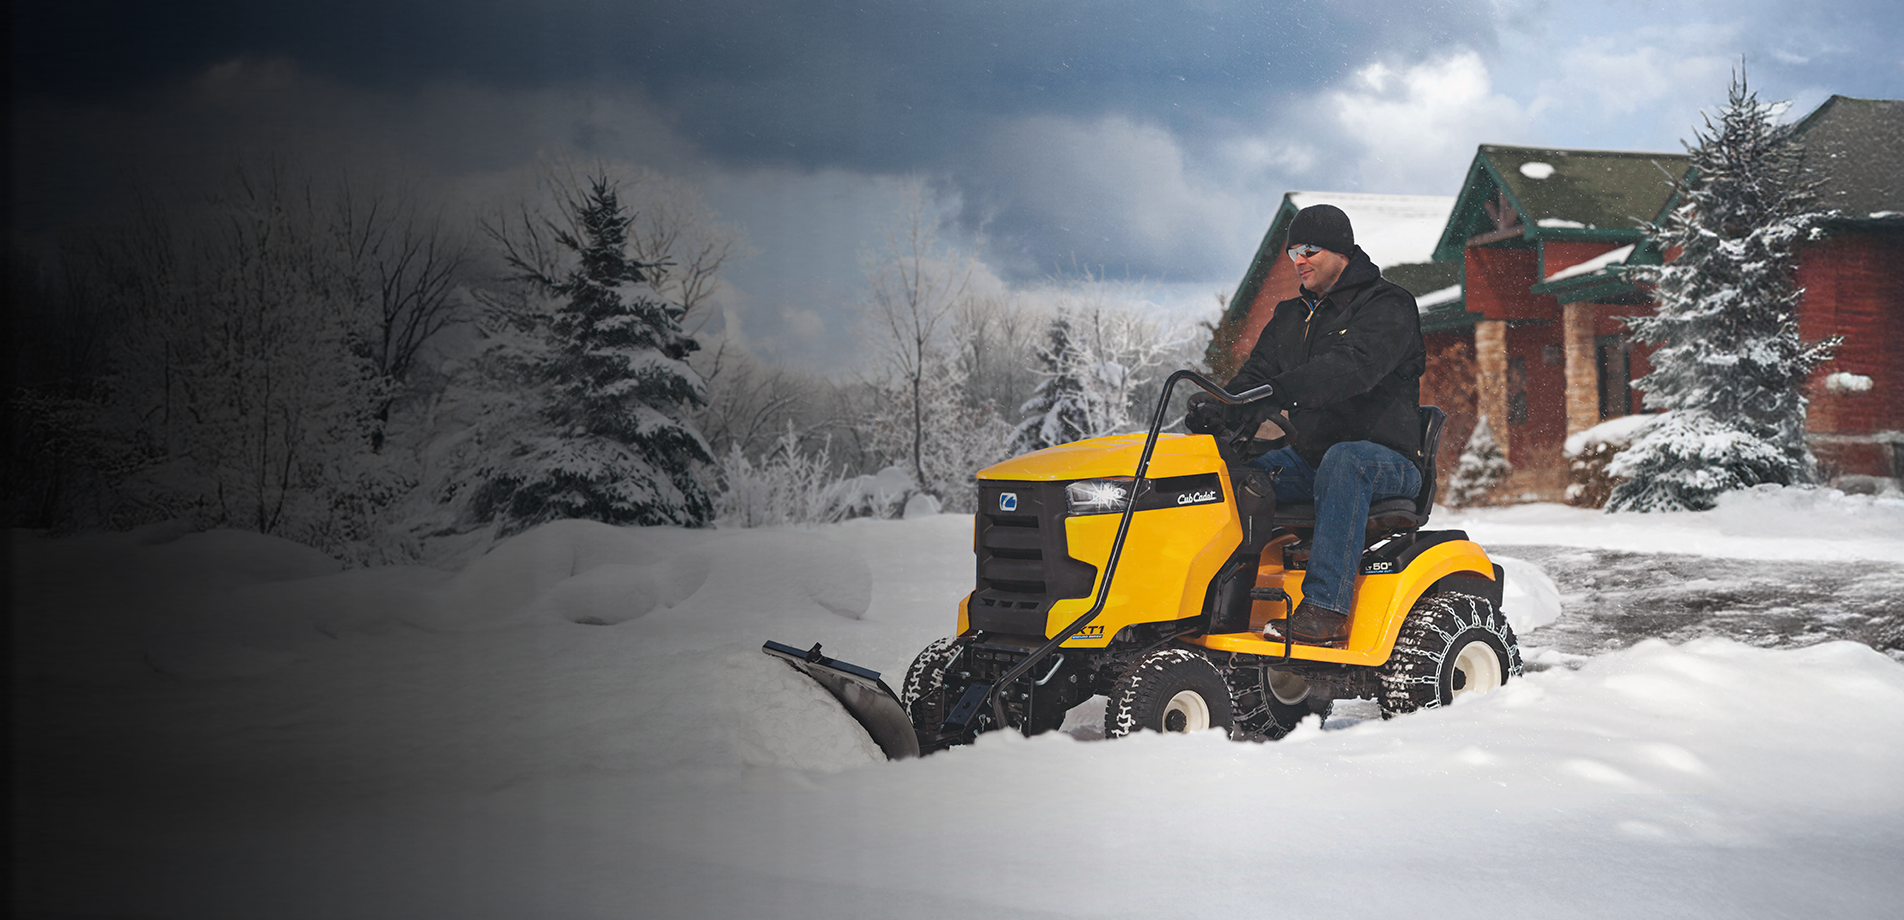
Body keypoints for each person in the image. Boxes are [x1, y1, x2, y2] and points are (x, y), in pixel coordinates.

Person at [1186, 204, 1426, 647]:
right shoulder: (1289, 317)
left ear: (1342, 252)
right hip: (1311, 460)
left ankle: (1326, 609)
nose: (1299, 260)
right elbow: (1256, 378)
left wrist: (1281, 391)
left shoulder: (1388, 305)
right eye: (1293, 250)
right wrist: (1224, 407)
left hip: (1385, 461)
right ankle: (1215, 603)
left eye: (1310, 249)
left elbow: (1351, 369)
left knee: (1344, 459)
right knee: (1240, 478)